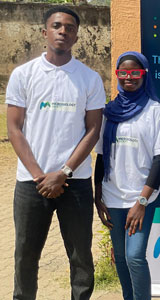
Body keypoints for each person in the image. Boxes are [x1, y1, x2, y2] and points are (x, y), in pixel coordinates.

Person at [5, 6, 105, 300]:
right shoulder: (24, 75)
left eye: (70, 28)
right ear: (44, 32)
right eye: (57, 26)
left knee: (80, 257)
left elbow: (93, 131)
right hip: (31, 183)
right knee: (25, 256)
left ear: (76, 36)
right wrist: (40, 176)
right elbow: (14, 129)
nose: (63, 31)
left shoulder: (89, 79)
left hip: (74, 182)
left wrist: (64, 173)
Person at [93, 51, 160, 300]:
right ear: (116, 75)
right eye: (123, 73)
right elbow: (102, 157)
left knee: (135, 256)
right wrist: (98, 195)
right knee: (122, 258)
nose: (128, 77)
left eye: (135, 73)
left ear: (144, 75)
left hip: (141, 197)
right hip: (113, 196)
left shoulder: (156, 111)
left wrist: (142, 201)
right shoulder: (108, 112)